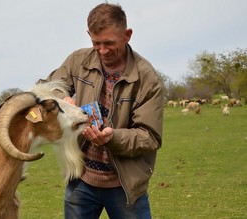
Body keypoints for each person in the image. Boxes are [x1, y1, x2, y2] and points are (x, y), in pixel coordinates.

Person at [40, 3, 164, 219]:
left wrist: (112, 137)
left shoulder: (147, 78)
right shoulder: (78, 61)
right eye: (96, 43)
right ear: (88, 34)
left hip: (125, 187)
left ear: (127, 35)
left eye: (109, 43)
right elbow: (46, 87)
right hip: (81, 182)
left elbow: (150, 137)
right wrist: (63, 100)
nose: (103, 50)